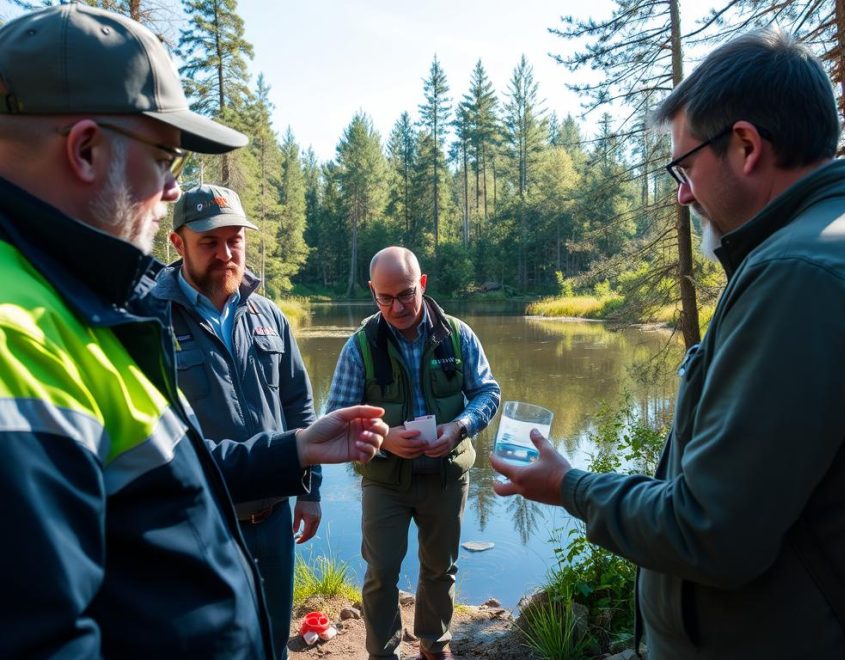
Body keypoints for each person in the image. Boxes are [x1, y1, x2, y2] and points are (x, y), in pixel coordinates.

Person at [0, 5, 386, 659]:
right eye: (164, 157)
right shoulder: (20, 336)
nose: (174, 188)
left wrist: (297, 453)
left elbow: (155, 475)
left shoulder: (80, 307)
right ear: (86, 149)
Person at [491, 28, 845, 660]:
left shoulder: (802, 275)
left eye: (684, 165)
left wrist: (570, 486)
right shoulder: (834, 241)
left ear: (747, 145)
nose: (682, 192)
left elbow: (712, 531)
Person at [150, 183, 322, 659]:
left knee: (272, 644)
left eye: (235, 240)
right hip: (200, 527)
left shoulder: (269, 315)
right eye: (210, 242)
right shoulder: (150, 323)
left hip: (273, 524)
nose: (227, 253)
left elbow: (298, 405)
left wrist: (309, 490)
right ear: (177, 242)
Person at [326, 246, 500, 660]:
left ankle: (433, 642)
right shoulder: (360, 346)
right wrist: (384, 438)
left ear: (421, 284)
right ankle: (383, 653)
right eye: (385, 298)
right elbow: (335, 419)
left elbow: (487, 393)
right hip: (385, 482)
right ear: (373, 292)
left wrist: (459, 426)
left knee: (441, 570)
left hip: (446, 476)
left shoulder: (457, 335)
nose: (397, 306)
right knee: (381, 573)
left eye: (405, 294)